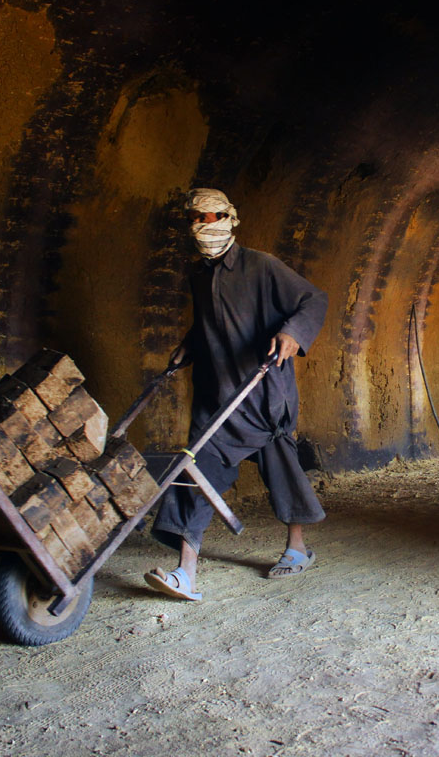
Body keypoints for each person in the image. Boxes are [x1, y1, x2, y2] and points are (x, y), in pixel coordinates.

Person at [145, 188, 328, 601]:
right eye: (194, 218)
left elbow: (313, 299)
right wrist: (190, 344)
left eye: (209, 217)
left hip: (263, 394)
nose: (201, 225)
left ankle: (297, 548)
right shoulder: (199, 275)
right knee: (194, 469)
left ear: (229, 218)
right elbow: (212, 322)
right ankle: (185, 572)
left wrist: (292, 333)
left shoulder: (262, 266)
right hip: (217, 397)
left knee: (281, 469)